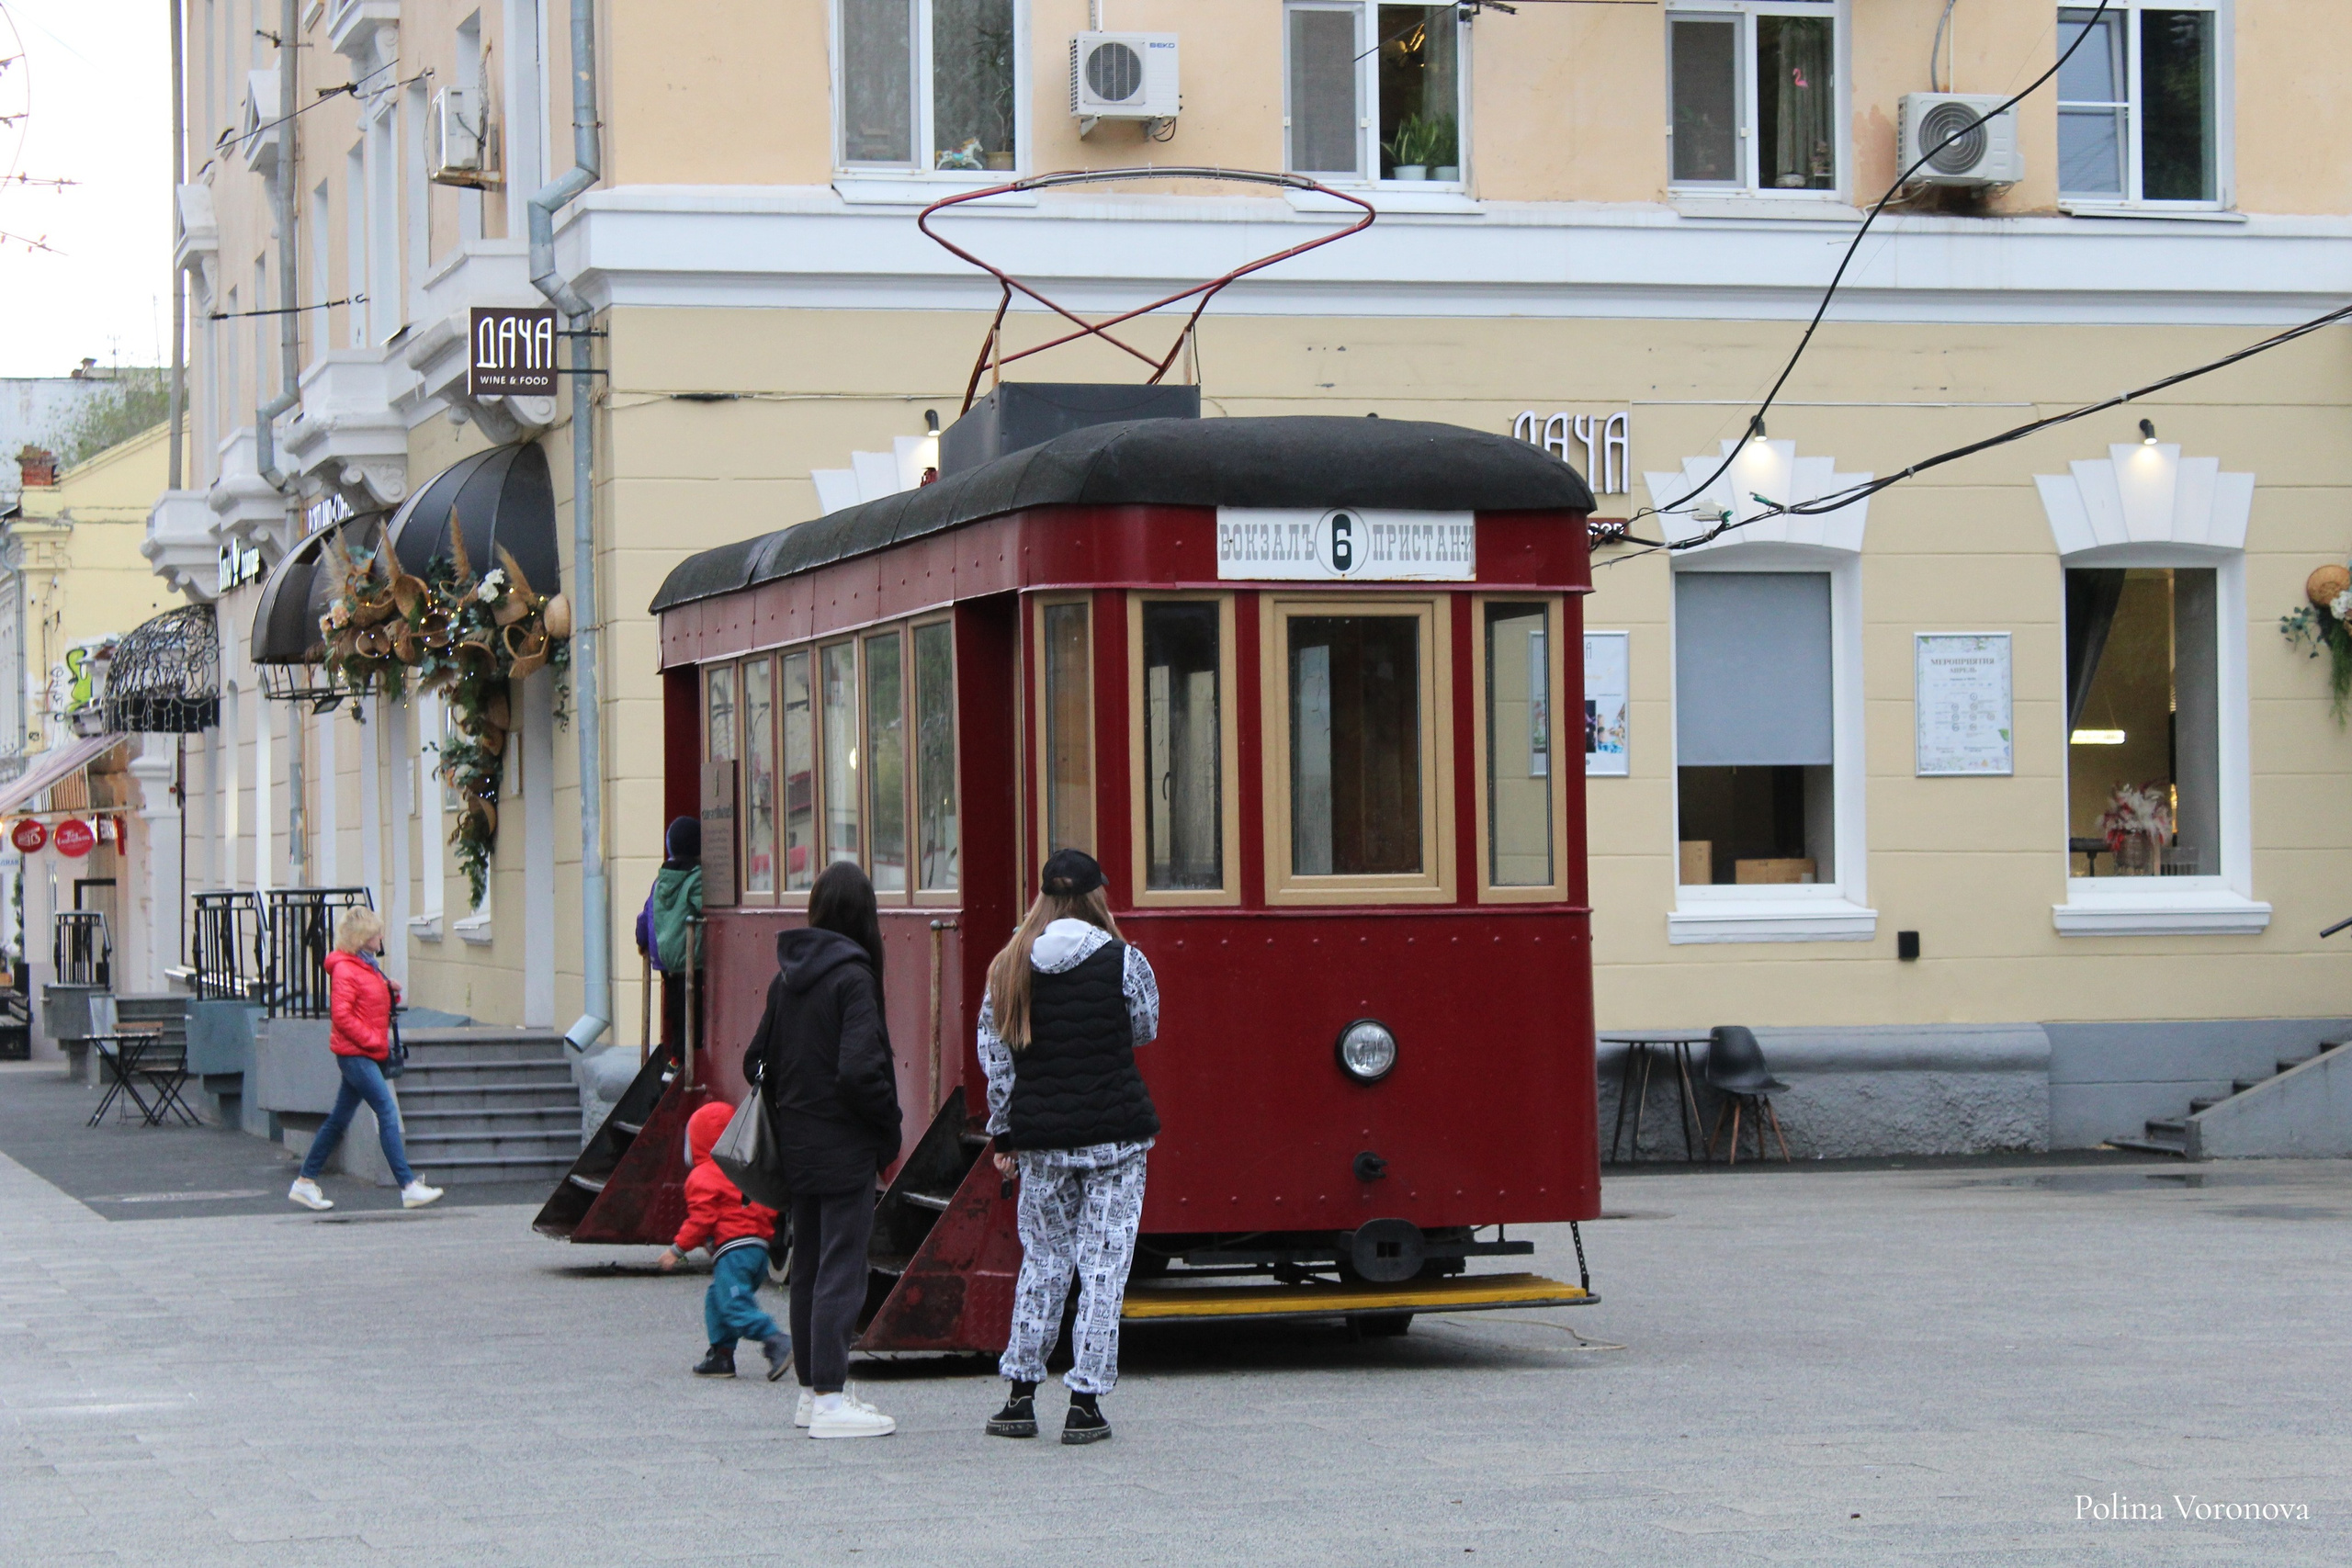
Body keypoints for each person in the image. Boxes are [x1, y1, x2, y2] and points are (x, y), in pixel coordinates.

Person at [978, 849, 1160, 1446]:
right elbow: (1144, 1027)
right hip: (1116, 1138)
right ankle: (1085, 1402)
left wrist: (1005, 1133)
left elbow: (996, 1059)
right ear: (1096, 895)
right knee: (1103, 1266)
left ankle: (1020, 1395)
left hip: (1044, 1143)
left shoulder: (1009, 964)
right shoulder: (1125, 960)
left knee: (1044, 1260)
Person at [744, 862, 903, 1439]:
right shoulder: (853, 979)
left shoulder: (788, 980)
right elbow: (861, 1069)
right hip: (844, 1146)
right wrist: (889, 1126)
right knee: (842, 1266)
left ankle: (812, 1394)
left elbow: (753, 1061)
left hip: (798, 1146)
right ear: (864, 915)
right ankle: (833, 1399)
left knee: (808, 1267)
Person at [288, 908, 444, 1212]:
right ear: (362, 938)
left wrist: (391, 993)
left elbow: (369, 1006)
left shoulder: (366, 967)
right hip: (356, 1054)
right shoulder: (348, 970)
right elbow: (342, 1016)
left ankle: (304, 1183)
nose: (381, 937)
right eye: (376, 933)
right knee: (386, 1110)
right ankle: (408, 1186)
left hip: (361, 1052)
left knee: (338, 1119)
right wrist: (375, 1042)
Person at [657, 1100, 791, 1382]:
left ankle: (775, 1339)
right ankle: (721, 1355)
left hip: (734, 1251)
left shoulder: (704, 1175)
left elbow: (701, 1219)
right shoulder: (746, 1169)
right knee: (718, 1298)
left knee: (733, 1304)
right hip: (757, 1251)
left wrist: (677, 1249)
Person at [635, 817, 704, 1053]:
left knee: (676, 1012)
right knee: (693, 1016)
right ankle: (684, 1058)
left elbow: (646, 915)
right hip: (693, 963)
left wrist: (642, 942)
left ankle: (674, 1060)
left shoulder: (661, 881)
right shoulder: (697, 880)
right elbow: (707, 909)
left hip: (666, 964)